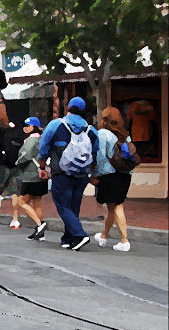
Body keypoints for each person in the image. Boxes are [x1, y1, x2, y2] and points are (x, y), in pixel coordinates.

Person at [38, 97, 98, 251]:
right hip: (82, 174)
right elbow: (95, 152)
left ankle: (80, 235)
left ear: (68, 107)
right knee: (73, 206)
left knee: (63, 206)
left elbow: (43, 146)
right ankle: (68, 239)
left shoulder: (56, 124)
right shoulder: (91, 130)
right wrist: (93, 173)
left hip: (61, 173)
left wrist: (42, 166)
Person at [92, 107, 135, 252]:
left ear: (104, 119)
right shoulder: (125, 134)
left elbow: (101, 157)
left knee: (117, 206)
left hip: (110, 175)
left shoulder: (103, 133)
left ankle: (124, 241)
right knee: (111, 207)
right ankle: (104, 236)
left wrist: (95, 175)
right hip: (124, 174)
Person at [0, 122, 27, 229]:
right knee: (14, 193)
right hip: (14, 167)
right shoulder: (16, 135)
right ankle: (15, 219)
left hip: (3, 168)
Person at [15, 117, 48, 241]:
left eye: (27, 125)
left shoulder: (31, 140)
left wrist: (17, 162)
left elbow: (25, 155)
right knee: (37, 202)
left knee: (22, 201)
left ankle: (40, 224)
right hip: (41, 174)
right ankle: (39, 233)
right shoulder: (42, 139)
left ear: (33, 126)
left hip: (30, 175)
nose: (25, 127)